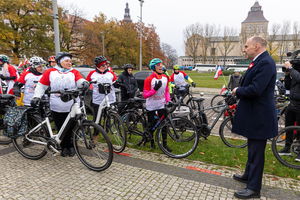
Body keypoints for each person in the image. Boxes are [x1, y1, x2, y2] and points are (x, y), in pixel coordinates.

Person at [231, 36, 277, 199]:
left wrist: (237, 91)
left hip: (260, 116)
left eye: (246, 46)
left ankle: (254, 188)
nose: (244, 49)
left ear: (257, 46)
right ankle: (248, 175)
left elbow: (256, 89)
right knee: (252, 149)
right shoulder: (259, 61)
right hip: (255, 115)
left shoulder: (265, 62)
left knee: (257, 153)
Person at [31, 52, 89, 157]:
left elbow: (80, 80)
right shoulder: (50, 72)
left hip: (71, 104)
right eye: (67, 61)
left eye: (70, 61)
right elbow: (41, 86)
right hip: (57, 104)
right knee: (61, 126)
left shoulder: (74, 72)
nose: (69, 63)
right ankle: (63, 146)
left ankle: (71, 146)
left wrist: (84, 83)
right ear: (59, 62)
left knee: (71, 127)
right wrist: (37, 96)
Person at [143, 58, 171, 150]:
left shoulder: (165, 77)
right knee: (152, 124)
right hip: (151, 105)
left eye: (161, 64)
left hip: (161, 104)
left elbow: (166, 91)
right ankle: (151, 142)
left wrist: (168, 100)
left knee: (164, 125)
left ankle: (165, 144)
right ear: (153, 67)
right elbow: (145, 95)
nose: (160, 66)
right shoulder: (149, 79)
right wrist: (154, 89)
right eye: (158, 65)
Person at [279, 60, 300, 161]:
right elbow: (288, 86)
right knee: (288, 127)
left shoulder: (296, 74)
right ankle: (287, 148)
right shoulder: (294, 74)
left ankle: (299, 151)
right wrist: (287, 74)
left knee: (299, 129)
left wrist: (291, 69)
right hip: (292, 103)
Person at [86, 56, 117, 121]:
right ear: (98, 66)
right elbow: (86, 82)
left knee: (108, 116)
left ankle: (107, 129)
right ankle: (96, 129)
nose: (105, 66)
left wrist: (118, 83)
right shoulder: (92, 73)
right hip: (98, 99)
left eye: (106, 64)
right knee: (97, 118)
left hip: (109, 99)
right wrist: (89, 85)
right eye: (103, 65)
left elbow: (116, 81)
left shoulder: (110, 73)